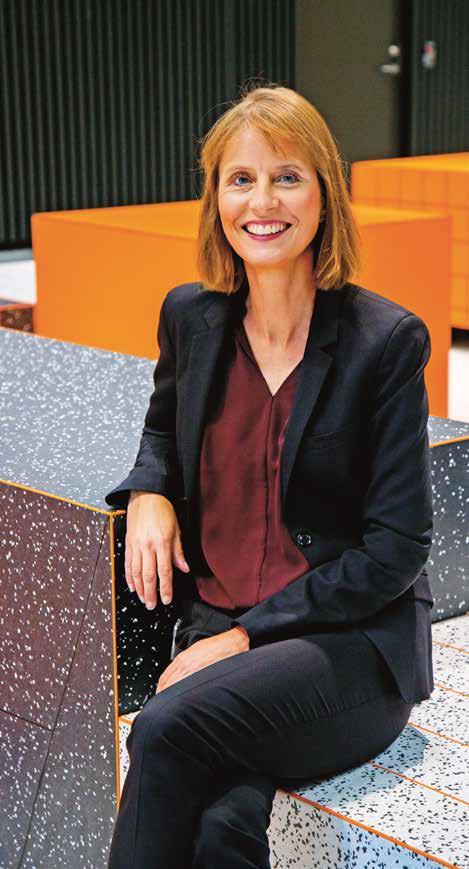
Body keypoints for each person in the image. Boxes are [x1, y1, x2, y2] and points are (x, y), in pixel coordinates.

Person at [105, 83, 434, 869]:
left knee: (163, 728)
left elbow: (396, 548)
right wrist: (148, 489)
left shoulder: (384, 341)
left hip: (346, 649)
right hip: (218, 629)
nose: (262, 201)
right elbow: (163, 423)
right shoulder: (190, 316)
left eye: (287, 177)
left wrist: (247, 635)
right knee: (222, 824)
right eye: (240, 178)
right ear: (215, 198)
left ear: (324, 193)